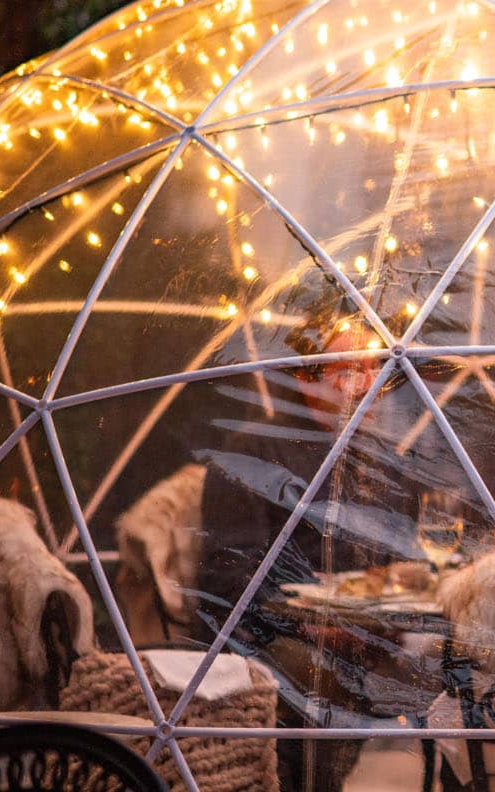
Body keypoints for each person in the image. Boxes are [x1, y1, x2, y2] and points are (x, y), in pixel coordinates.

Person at [195, 293, 412, 792]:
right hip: (268, 640)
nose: (360, 385)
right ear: (305, 377)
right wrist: (315, 626)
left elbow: (392, 558)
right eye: (342, 369)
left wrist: (388, 603)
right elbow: (229, 572)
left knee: (450, 665)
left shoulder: (375, 459)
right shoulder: (253, 451)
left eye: (371, 368)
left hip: (359, 634)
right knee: (317, 680)